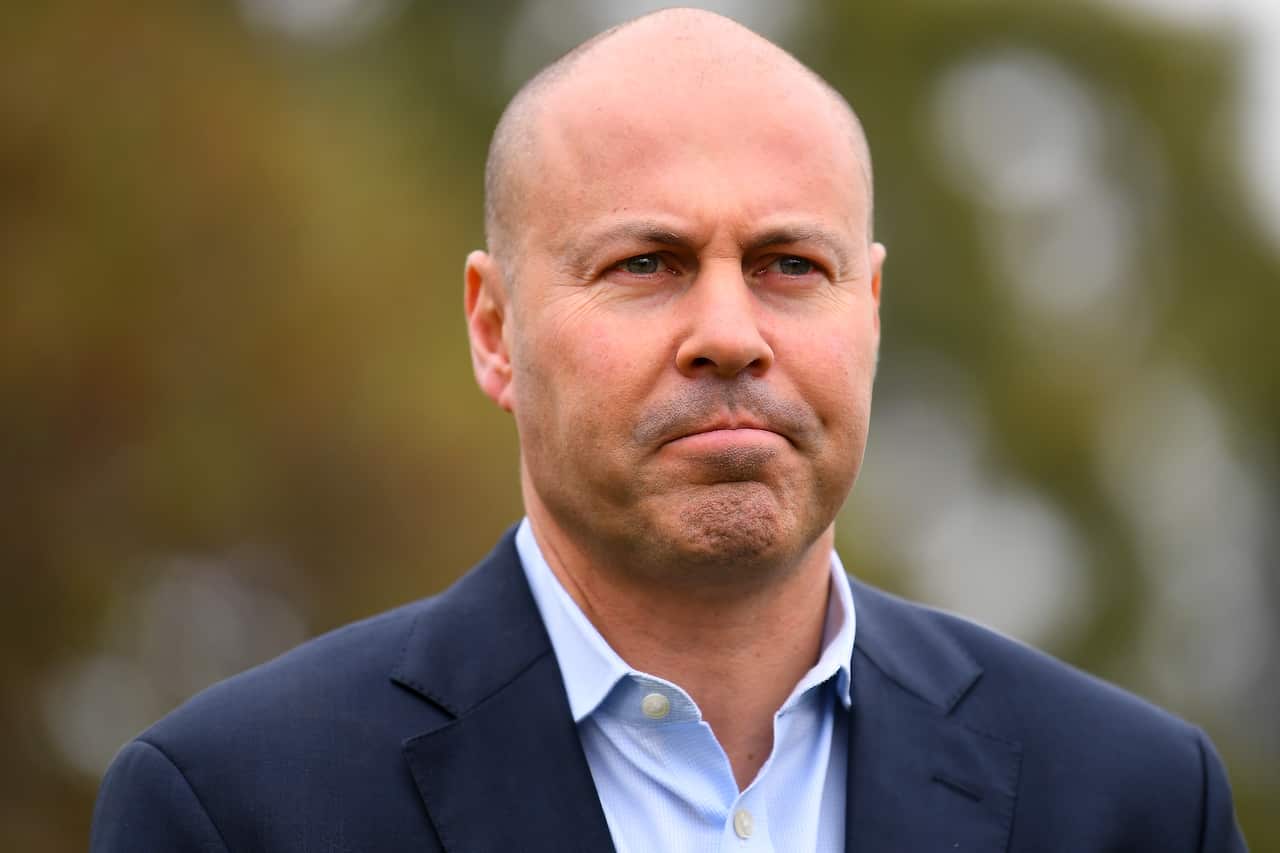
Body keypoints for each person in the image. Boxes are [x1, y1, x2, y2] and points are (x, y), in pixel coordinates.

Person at [90, 8, 1247, 852]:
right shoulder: (237, 811)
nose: (729, 333)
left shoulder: (1128, 802)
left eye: (791, 265)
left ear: (871, 313)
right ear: (494, 330)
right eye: (646, 264)